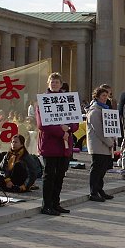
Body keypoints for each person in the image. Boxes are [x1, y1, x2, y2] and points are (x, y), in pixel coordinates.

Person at [36, 72, 78, 216]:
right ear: (48, 84)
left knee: (60, 175)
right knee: (49, 176)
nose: (54, 84)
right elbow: (42, 125)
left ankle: (56, 203)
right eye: (52, 82)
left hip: (64, 146)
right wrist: (62, 132)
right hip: (50, 144)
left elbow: (75, 121)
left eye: (57, 82)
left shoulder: (67, 100)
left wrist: (70, 128)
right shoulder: (43, 101)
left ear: (61, 84)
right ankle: (46, 204)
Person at [86, 85, 116, 201]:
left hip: (105, 144)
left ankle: (99, 189)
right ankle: (93, 192)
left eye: (106, 95)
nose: (105, 98)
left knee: (103, 168)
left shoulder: (104, 109)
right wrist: (109, 142)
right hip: (98, 144)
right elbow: (98, 130)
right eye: (103, 95)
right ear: (97, 97)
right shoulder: (94, 111)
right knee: (97, 169)